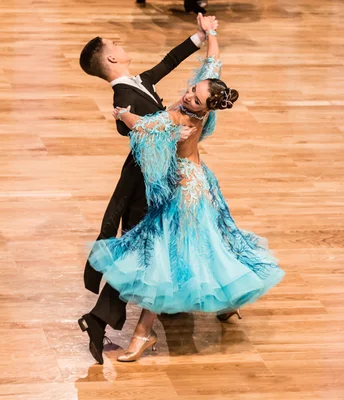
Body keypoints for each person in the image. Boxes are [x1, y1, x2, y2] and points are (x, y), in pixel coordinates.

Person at [88, 16, 285, 362]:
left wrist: (122, 115)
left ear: (205, 108)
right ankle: (226, 305)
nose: (188, 94)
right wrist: (210, 34)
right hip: (201, 180)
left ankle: (143, 333)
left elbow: (145, 127)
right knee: (212, 242)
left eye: (194, 97)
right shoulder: (207, 99)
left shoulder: (182, 118)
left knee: (172, 254)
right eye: (193, 90)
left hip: (182, 189)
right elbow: (211, 64)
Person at [78, 14, 218, 365]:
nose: (122, 44)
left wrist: (199, 37)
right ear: (111, 59)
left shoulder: (134, 84)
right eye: (116, 45)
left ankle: (113, 317)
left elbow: (167, 63)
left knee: (148, 251)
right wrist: (169, 132)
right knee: (144, 253)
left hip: (153, 179)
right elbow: (137, 131)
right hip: (148, 186)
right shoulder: (125, 94)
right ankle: (102, 319)